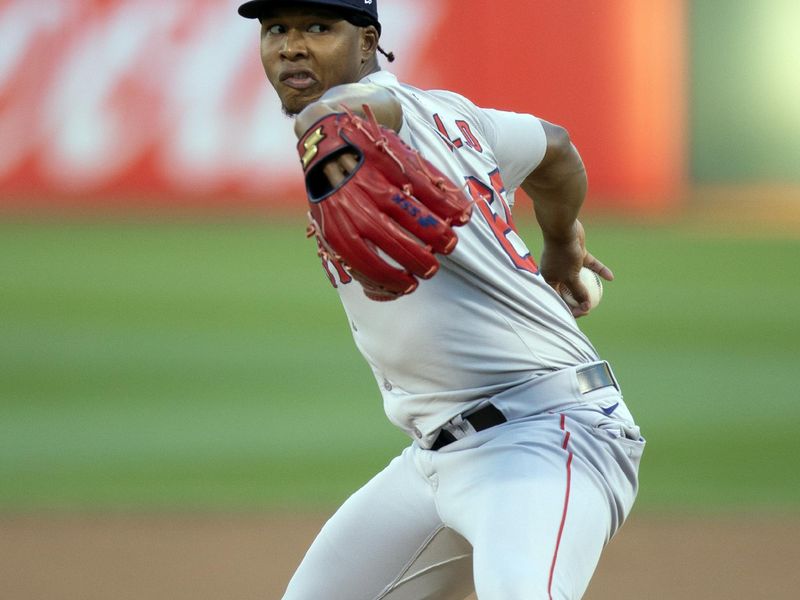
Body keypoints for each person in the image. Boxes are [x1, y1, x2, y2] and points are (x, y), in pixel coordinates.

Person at [237, 1, 645, 598]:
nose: (291, 46)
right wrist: (562, 239)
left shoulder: (376, 117)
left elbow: (353, 111)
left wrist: (322, 120)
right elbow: (554, 148)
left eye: (319, 28)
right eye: (278, 29)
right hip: (435, 459)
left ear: (368, 39)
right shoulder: (455, 116)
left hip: (547, 434)